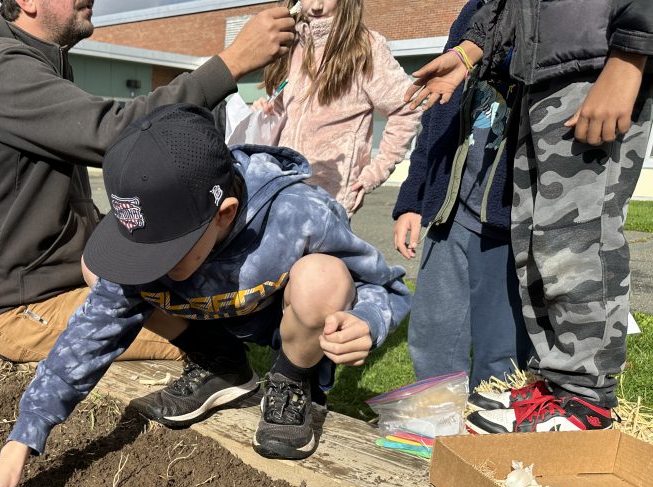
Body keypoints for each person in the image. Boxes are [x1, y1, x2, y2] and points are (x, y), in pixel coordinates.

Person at [0, 105, 411, 487]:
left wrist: (368, 320)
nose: (151, 263)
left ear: (225, 214)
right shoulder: (156, 240)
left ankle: (289, 382)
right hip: (208, 319)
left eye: (168, 249)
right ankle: (221, 366)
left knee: (323, 277)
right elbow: (87, 339)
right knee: (103, 274)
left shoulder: (300, 213)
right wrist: (16, 450)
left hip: (284, 327)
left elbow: (384, 287)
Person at [0, 1, 297, 363]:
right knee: (210, 351)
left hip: (66, 283)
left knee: (217, 314)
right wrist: (232, 63)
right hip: (22, 307)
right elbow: (119, 133)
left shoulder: (37, 64)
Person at [406, 0, 652, 433]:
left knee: (578, 242)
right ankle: (557, 383)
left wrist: (629, 58)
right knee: (541, 245)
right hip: (542, 77)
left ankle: (585, 399)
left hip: (596, 69)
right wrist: (469, 52)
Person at [392, 0, 530, 390]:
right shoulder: (472, 13)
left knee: (501, 353)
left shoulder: (551, 16)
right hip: (447, 213)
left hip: (505, 223)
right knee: (433, 337)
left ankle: (488, 440)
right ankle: (437, 430)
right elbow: (435, 116)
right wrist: (413, 201)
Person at [255, 0, 420, 216]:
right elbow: (282, 113)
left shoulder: (365, 46)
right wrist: (267, 111)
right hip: (282, 190)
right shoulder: (290, 45)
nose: (316, 6)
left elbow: (407, 108)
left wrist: (375, 172)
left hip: (330, 199)